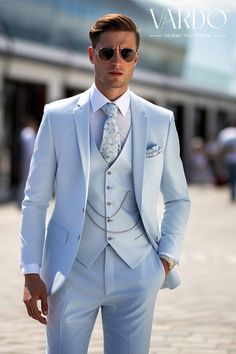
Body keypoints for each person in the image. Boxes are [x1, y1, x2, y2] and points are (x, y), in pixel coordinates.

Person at [20, 14, 191, 354]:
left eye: (126, 53)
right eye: (107, 53)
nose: (117, 60)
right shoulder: (57, 117)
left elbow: (178, 199)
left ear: (136, 59)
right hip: (69, 274)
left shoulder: (160, 120)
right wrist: (30, 272)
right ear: (91, 55)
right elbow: (35, 200)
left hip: (138, 273)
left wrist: (165, 261)